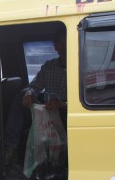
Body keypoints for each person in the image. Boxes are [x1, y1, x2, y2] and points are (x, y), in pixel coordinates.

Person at [4, 32, 67, 169]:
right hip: (46, 110)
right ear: (55, 47)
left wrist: (62, 104)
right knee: (18, 99)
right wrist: (29, 94)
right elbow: (33, 86)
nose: (63, 46)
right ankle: (11, 148)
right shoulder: (49, 67)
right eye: (60, 43)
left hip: (66, 113)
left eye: (66, 42)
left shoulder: (81, 67)